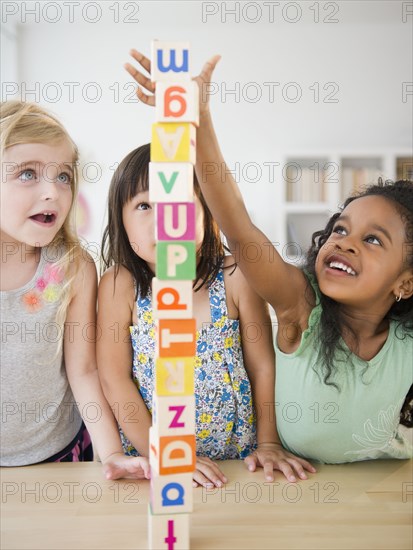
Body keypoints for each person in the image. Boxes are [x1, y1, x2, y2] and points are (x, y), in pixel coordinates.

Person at [126, 51, 413, 463]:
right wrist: (199, 121)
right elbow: (239, 227)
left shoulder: (405, 343)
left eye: (373, 240)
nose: (345, 242)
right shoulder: (301, 304)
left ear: (405, 282)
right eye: (340, 229)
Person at [97, 139, 315, 486]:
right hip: (156, 465)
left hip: (237, 463)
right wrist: (162, 452)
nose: (165, 218)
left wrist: (270, 442)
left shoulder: (234, 277)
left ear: (207, 212)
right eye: (144, 206)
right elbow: (114, 380)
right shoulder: (119, 286)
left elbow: (261, 365)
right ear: (119, 220)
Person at [0, 101, 150, 480]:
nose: (52, 191)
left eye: (63, 176)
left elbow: (83, 370)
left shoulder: (72, 268)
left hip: (61, 457)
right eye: (27, 174)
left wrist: (111, 452)